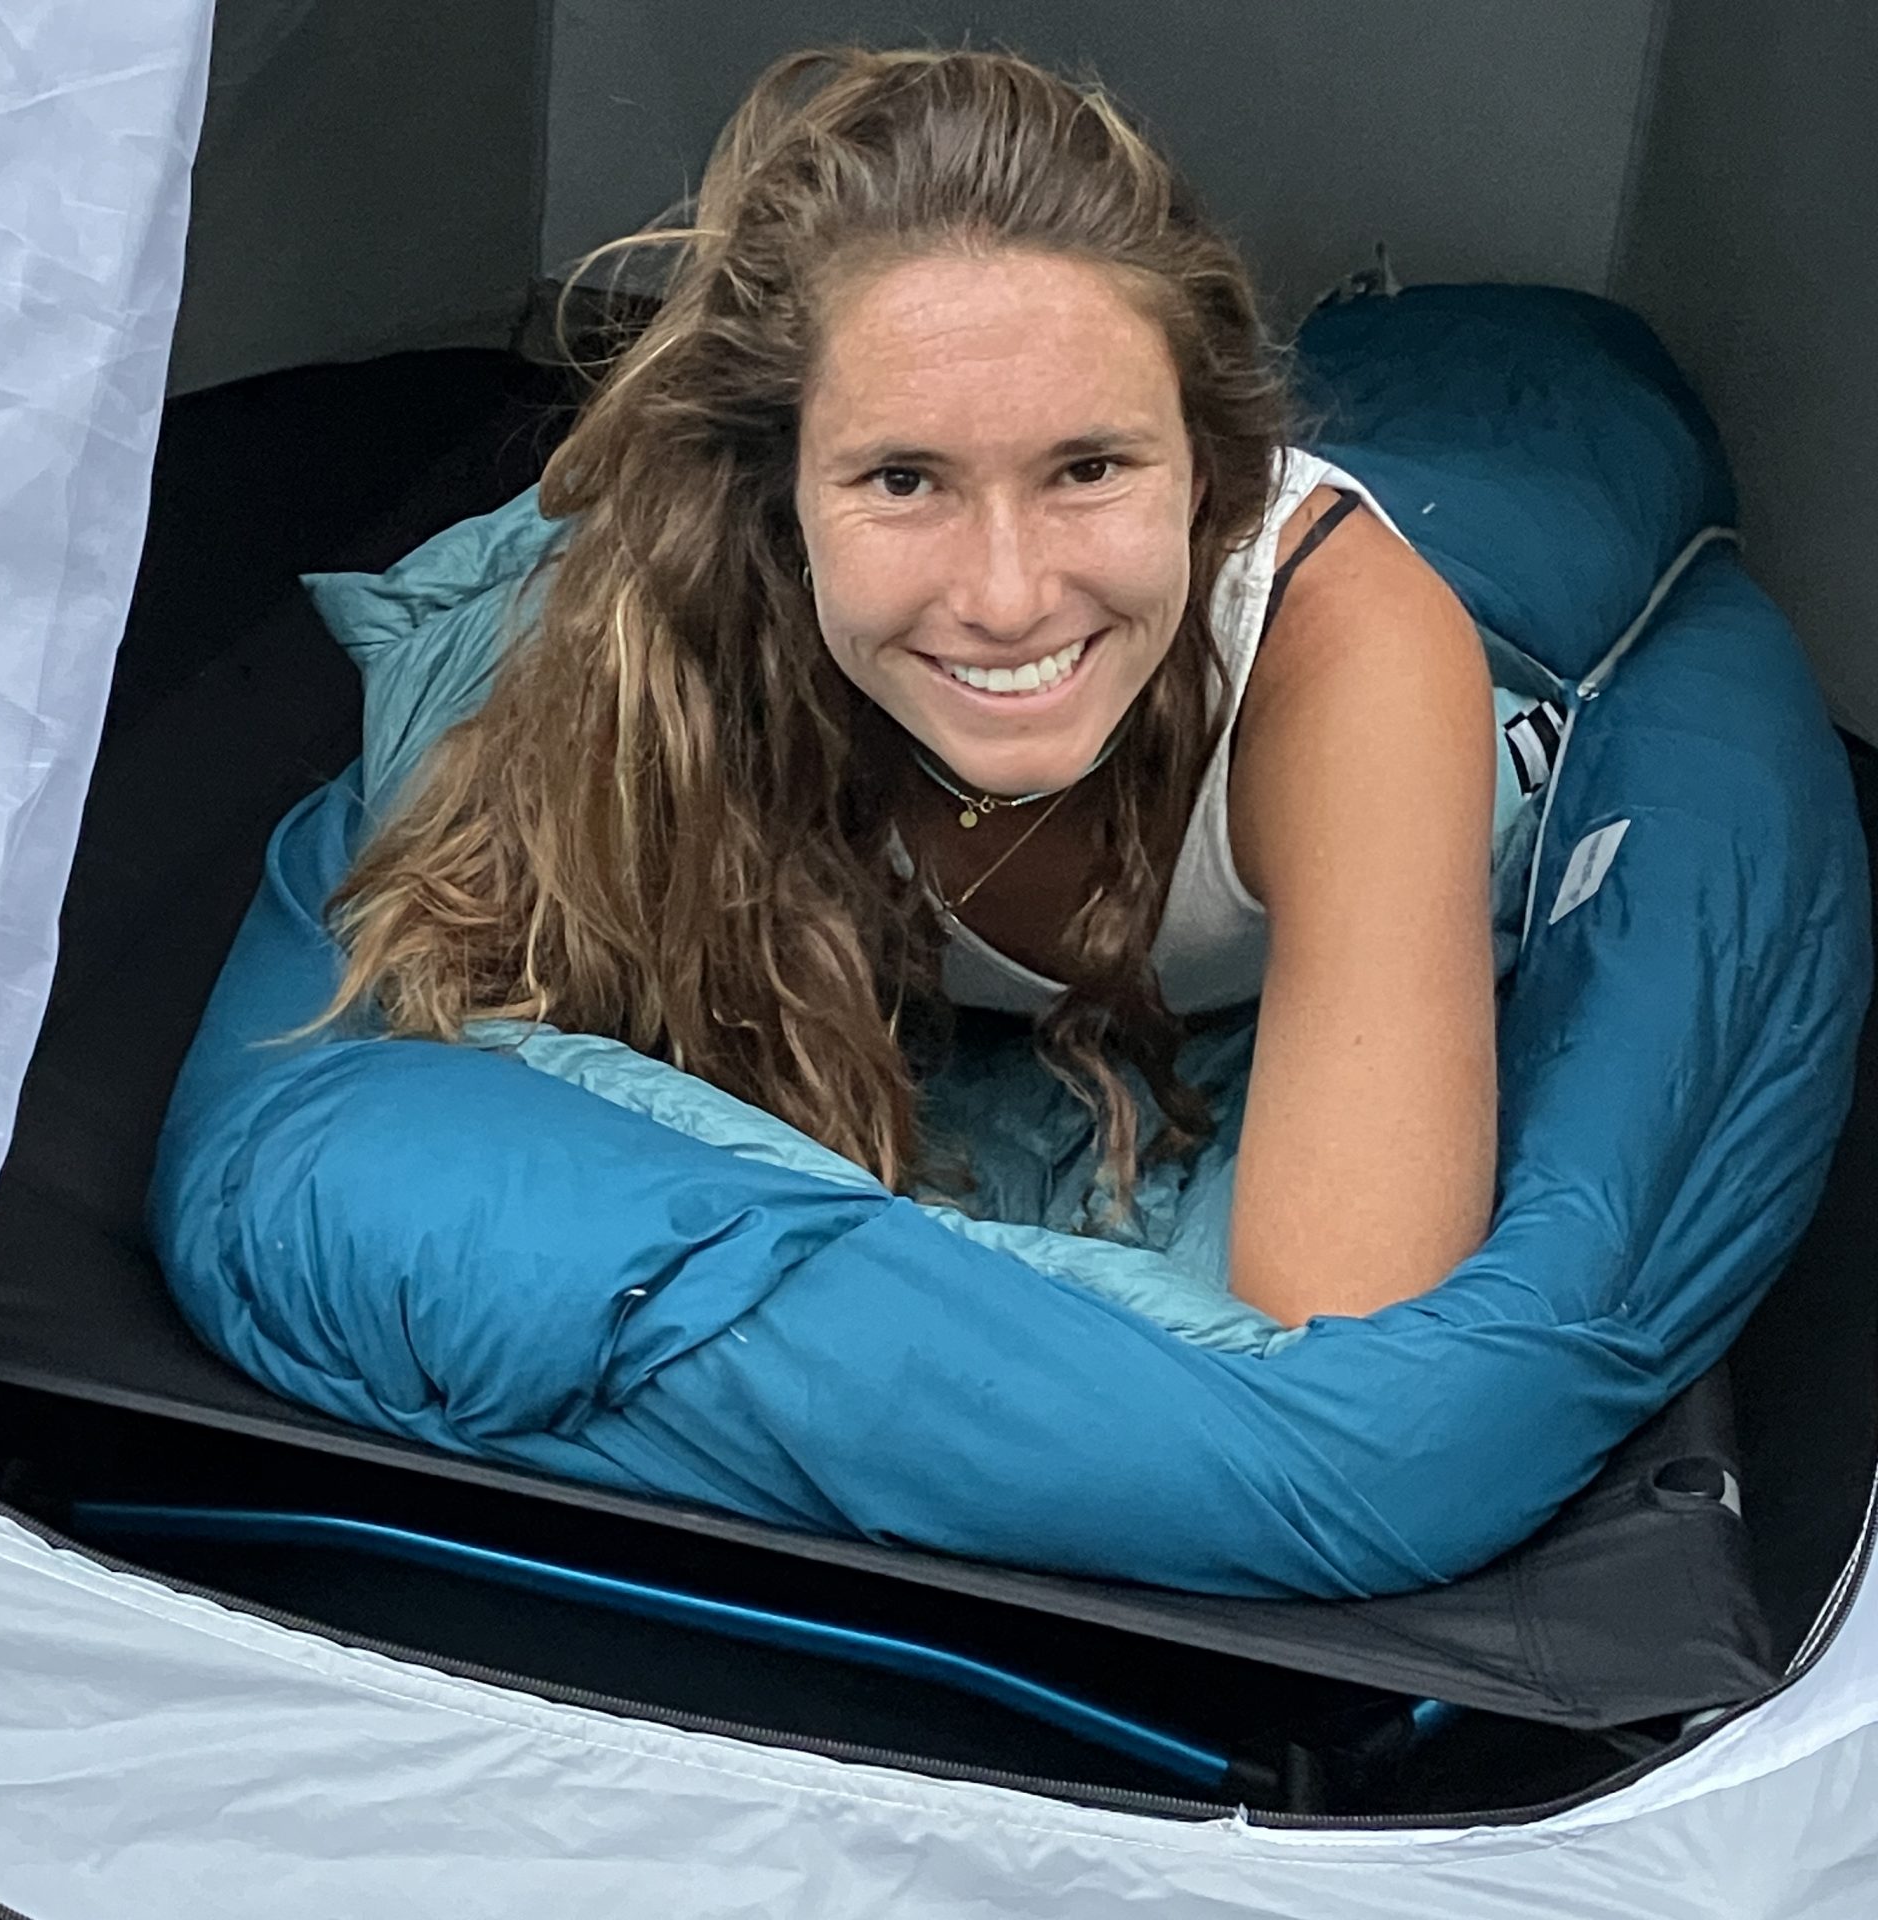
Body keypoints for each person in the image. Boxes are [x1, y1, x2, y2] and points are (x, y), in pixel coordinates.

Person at [319, 47, 1498, 1328]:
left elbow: (1345, 1346)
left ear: (1209, 473)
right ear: (778, 500)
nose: (1004, 596)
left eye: (1090, 467)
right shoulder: (691, 627)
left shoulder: (1344, 661)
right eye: (902, 480)